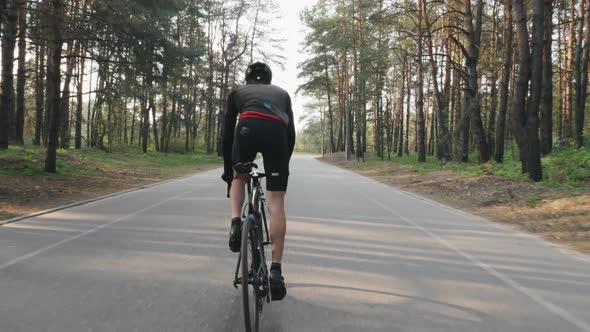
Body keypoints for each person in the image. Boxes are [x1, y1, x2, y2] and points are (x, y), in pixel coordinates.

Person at [222, 62, 295, 301]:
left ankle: (235, 223)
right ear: (269, 80)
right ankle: (276, 270)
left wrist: (229, 171)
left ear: (248, 79)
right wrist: (283, 166)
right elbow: (291, 134)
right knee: (276, 201)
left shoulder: (238, 92)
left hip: (246, 129)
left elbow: (227, 133)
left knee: (239, 178)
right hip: (277, 134)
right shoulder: (282, 94)